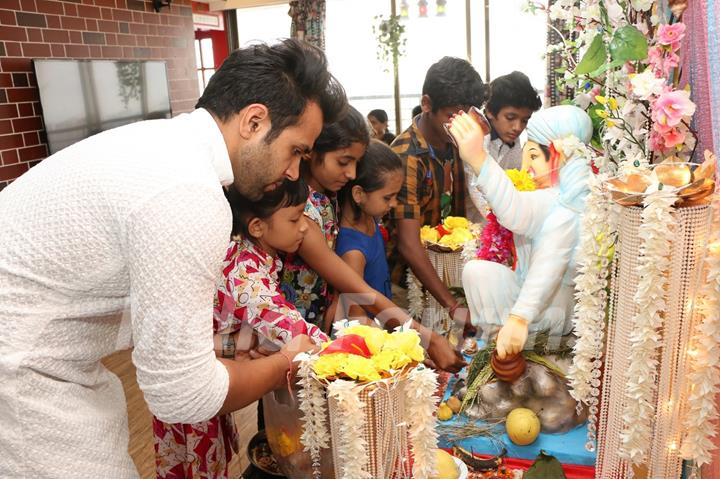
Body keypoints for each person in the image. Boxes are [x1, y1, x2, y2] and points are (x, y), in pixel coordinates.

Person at [0, 39, 346, 478]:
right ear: (254, 121)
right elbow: (182, 394)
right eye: (296, 150)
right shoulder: (188, 192)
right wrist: (283, 364)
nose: (295, 172)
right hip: (20, 372)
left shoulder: (166, 147)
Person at [153, 180, 328, 479]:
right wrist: (345, 353)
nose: (304, 228)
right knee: (199, 465)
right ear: (258, 226)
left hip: (200, 359)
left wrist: (244, 342)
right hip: (190, 378)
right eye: (296, 218)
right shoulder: (246, 271)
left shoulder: (247, 252)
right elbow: (288, 325)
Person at [281, 108, 465, 372]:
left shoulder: (330, 197)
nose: (352, 173)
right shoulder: (301, 211)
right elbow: (356, 288)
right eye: (344, 162)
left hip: (326, 323)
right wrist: (425, 338)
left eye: (356, 163)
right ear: (311, 151)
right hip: (299, 339)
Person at [448, 105, 594, 359]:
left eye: (534, 157)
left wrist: (519, 318)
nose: (526, 167)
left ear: (561, 156)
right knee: (478, 271)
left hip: (550, 310)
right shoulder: (560, 198)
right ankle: (500, 350)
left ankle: (509, 354)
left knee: (478, 272)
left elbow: (548, 261)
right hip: (539, 302)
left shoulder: (565, 205)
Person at [387, 56, 487, 330]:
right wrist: (453, 306)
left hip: (448, 275)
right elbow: (408, 244)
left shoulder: (455, 143)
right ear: (427, 104)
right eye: (451, 115)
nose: (459, 125)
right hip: (410, 285)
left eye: (465, 114)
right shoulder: (406, 155)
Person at [333, 139, 403, 319]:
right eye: (387, 198)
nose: (394, 204)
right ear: (359, 194)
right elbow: (356, 317)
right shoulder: (353, 252)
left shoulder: (371, 219)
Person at [465, 71, 543, 223]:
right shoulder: (476, 136)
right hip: (473, 225)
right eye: (510, 118)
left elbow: (513, 181)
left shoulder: (513, 139)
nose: (517, 127)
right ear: (489, 111)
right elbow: (475, 188)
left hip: (502, 222)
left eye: (524, 121)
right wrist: (508, 220)